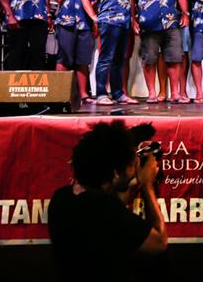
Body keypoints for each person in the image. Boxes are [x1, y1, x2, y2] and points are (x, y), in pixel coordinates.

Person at [48, 121, 167, 282]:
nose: (135, 168)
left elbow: (113, 213)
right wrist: (147, 185)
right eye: (131, 164)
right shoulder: (105, 209)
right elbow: (159, 243)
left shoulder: (61, 197)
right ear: (116, 172)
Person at [80, 0, 165, 106]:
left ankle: (119, 94)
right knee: (106, 58)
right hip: (110, 21)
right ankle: (101, 94)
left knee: (120, 59)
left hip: (123, 22)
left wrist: (132, 19)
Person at [129, 0, 189, 104]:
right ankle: (152, 93)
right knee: (149, 59)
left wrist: (185, 13)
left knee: (175, 58)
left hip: (171, 22)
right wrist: (132, 18)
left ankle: (175, 93)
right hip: (148, 23)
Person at [50, 0, 95, 103]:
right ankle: (58, 94)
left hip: (84, 23)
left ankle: (83, 94)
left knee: (83, 60)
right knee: (64, 59)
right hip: (66, 23)